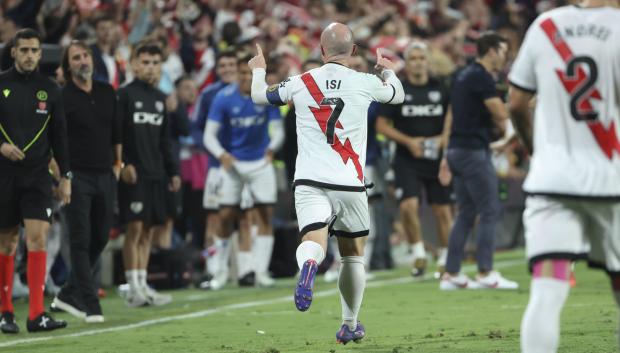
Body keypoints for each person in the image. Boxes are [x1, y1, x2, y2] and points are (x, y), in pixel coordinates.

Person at [249, 22, 404, 344]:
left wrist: (258, 71)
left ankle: (308, 264)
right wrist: (388, 71)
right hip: (349, 182)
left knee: (313, 238)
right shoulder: (365, 81)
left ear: (321, 51)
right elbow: (397, 96)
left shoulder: (302, 81)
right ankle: (349, 324)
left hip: (309, 180)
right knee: (351, 255)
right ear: (354, 51)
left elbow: (259, 97)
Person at [507, 0, 620, 351]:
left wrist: (535, 150)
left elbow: (515, 103)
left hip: (551, 182)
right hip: (612, 180)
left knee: (547, 289)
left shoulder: (545, 26)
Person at [0, 28, 70, 333]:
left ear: (41, 54)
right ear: (13, 52)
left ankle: (37, 314)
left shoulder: (51, 89)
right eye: (24, 50)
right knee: (7, 241)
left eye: (34, 51)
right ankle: (5, 312)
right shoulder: (0, 83)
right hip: (4, 174)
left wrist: (66, 176)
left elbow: (61, 137)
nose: (29, 55)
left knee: (38, 238)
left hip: (38, 175)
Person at [439, 32, 518, 290]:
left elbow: (452, 114)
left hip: (458, 150)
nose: (504, 57)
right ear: (492, 50)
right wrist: (517, 122)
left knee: (466, 212)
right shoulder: (481, 76)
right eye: (503, 51)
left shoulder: (462, 74)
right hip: (473, 151)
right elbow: (498, 112)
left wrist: (446, 152)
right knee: (489, 209)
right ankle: (486, 272)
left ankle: (451, 274)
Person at [51, 40, 122, 323]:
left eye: (85, 56)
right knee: (80, 239)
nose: (83, 61)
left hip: (105, 173)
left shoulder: (107, 91)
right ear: (68, 66)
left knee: (101, 236)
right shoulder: (62, 96)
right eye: (76, 58)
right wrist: (61, 176)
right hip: (75, 175)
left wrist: (118, 164)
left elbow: (116, 132)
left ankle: (68, 293)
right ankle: (90, 303)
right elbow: (55, 140)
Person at [204, 54, 284, 288]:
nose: (246, 77)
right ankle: (218, 272)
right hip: (233, 164)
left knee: (265, 214)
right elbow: (209, 135)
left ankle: (260, 272)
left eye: (250, 73)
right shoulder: (223, 98)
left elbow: (278, 130)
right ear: (237, 75)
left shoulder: (264, 94)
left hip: (260, 163)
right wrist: (222, 154)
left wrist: (271, 148)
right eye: (242, 73)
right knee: (225, 216)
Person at [376, 42, 454, 277]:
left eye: (422, 58)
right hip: (407, 158)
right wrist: (408, 141)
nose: (418, 62)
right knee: (408, 206)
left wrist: (443, 139)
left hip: (437, 158)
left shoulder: (440, 88)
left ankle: (444, 257)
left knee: (442, 210)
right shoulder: (399, 89)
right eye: (413, 58)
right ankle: (419, 254)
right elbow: (380, 125)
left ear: (427, 61)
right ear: (407, 63)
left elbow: (453, 116)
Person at [117, 42, 181, 307]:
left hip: (156, 173)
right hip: (134, 172)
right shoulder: (124, 95)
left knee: (147, 231)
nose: (151, 68)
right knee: (134, 229)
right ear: (133, 64)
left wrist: (173, 171)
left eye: (156, 63)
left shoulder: (159, 98)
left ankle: (142, 284)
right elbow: (116, 135)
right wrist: (121, 165)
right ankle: (132, 288)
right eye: (145, 62)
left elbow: (165, 141)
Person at [192, 50, 238, 290]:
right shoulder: (208, 94)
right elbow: (196, 128)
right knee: (213, 217)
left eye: (232, 64)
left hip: (245, 166)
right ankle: (213, 271)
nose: (228, 68)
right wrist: (212, 150)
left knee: (241, 216)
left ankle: (245, 269)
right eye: (223, 65)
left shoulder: (248, 91)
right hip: (217, 167)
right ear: (217, 70)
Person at [91, 15, 124, 89]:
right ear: (96, 31)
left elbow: (121, 80)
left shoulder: (118, 55)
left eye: (110, 28)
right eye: (103, 28)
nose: (107, 31)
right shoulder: (89, 53)